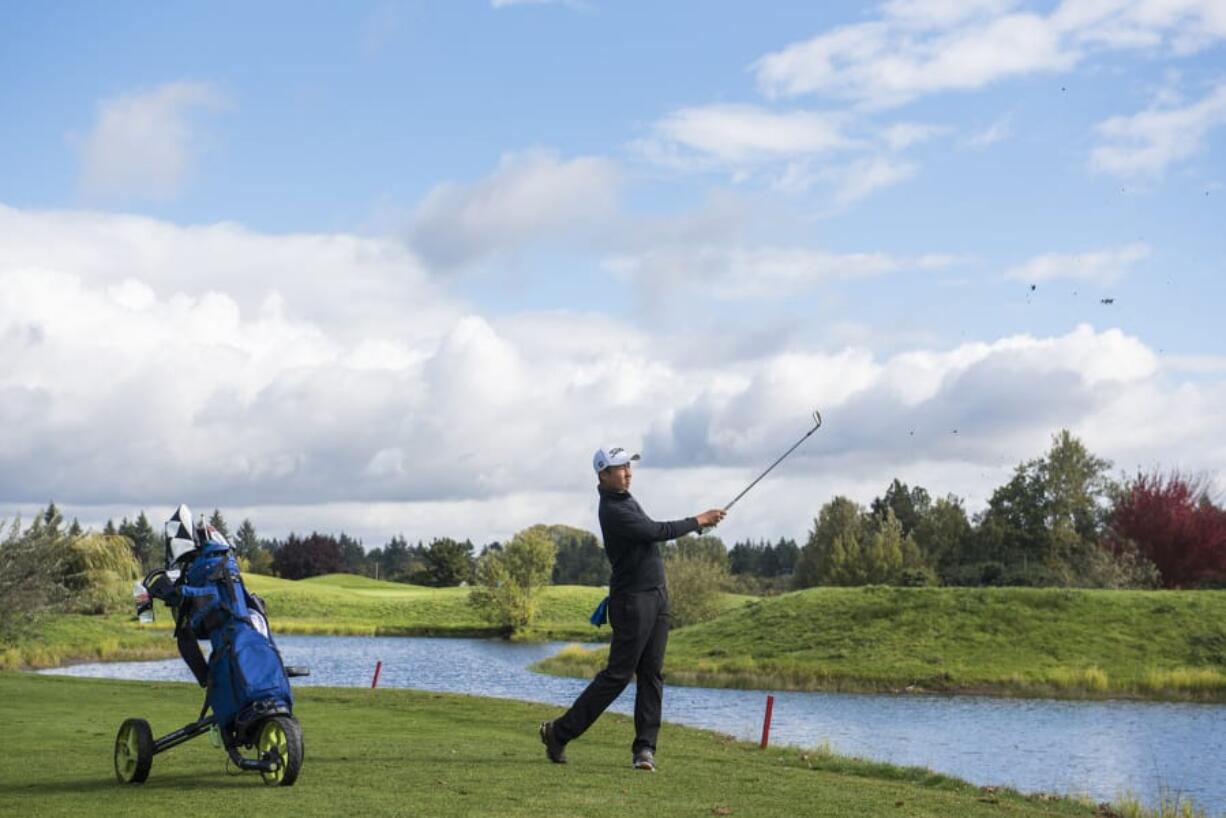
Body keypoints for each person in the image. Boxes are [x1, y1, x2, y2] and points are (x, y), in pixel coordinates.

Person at [539, 446, 725, 772]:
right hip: (632, 601)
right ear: (602, 474)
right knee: (618, 676)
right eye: (619, 468)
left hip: (656, 596)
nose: (627, 472)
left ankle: (644, 751)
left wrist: (698, 524)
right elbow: (655, 532)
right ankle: (559, 732)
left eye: (628, 466)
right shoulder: (612, 509)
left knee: (652, 674)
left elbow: (652, 532)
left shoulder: (625, 499)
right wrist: (698, 520)